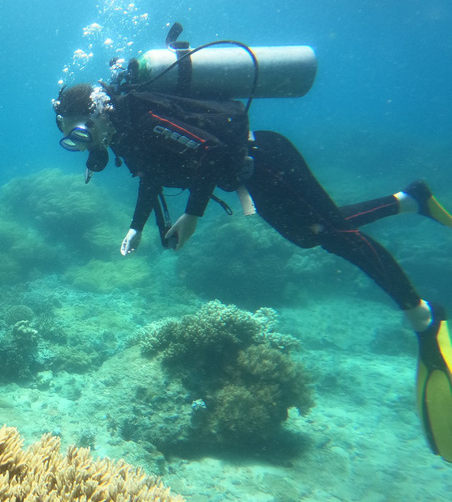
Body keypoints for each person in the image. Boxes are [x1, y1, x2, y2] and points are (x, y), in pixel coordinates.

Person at [53, 80, 452, 463]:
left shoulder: (143, 119)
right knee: (311, 233)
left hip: (266, 160)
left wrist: (192, 217)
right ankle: (410, 200)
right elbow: (151, 175)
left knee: (331, 234)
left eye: (84, 131)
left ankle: (421, 314)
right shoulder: (124, 133)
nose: (83, 142)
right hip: (251, 172)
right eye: (73, 136)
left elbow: (208, 151)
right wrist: (136, 227)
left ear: (101, 113)